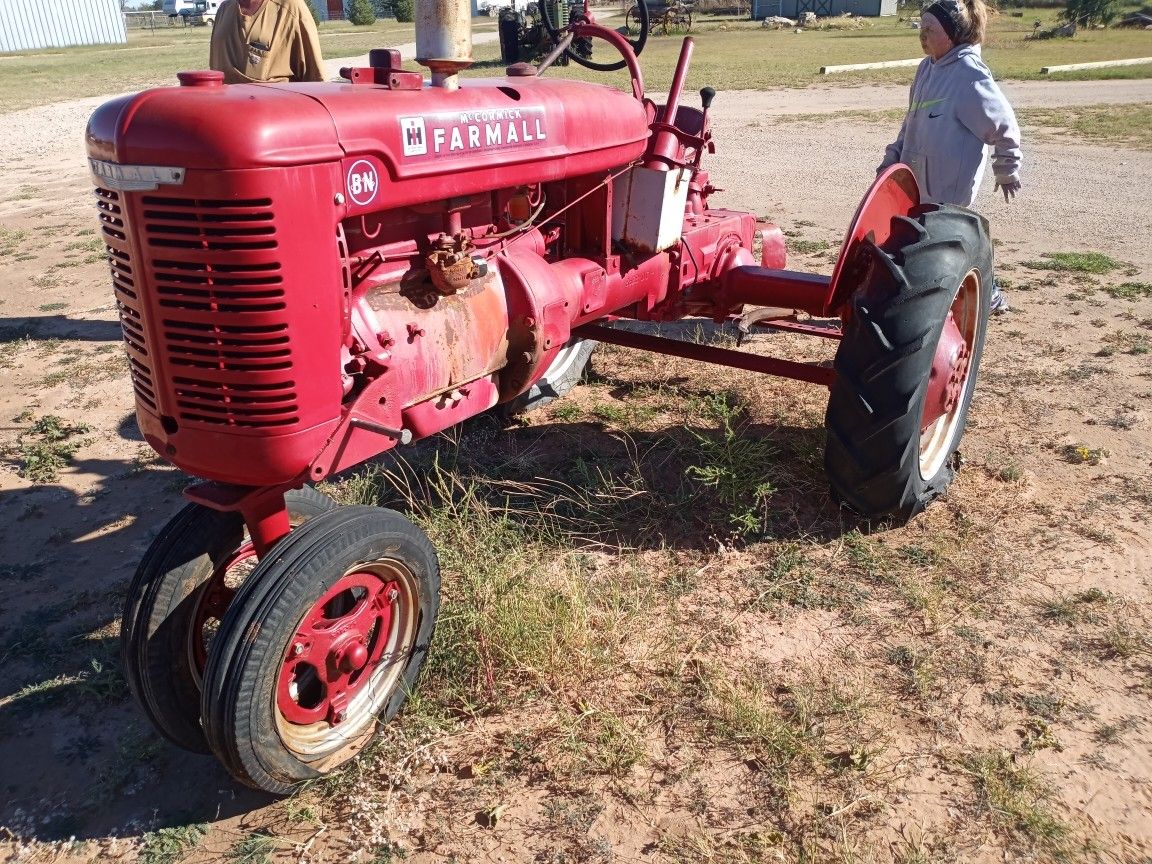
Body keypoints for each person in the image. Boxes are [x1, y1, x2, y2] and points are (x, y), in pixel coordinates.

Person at [879, 0, 1022, 312]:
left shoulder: (969, 76)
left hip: (948, 185)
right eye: (922, 27)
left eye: (931, 29)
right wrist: (893, 159)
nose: (923, 34)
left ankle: (989, 291)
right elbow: (911, 121)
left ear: (953, 34)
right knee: (917, 241)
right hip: (917, 178)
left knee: (949, 242)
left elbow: (1002, 124)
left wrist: (1007, 168)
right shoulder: (927, 69)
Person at [209, 0, 324, 84]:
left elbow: (315, 78)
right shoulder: (224, 9)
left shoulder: (291, 7)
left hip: (273, 111)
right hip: (225, 109)